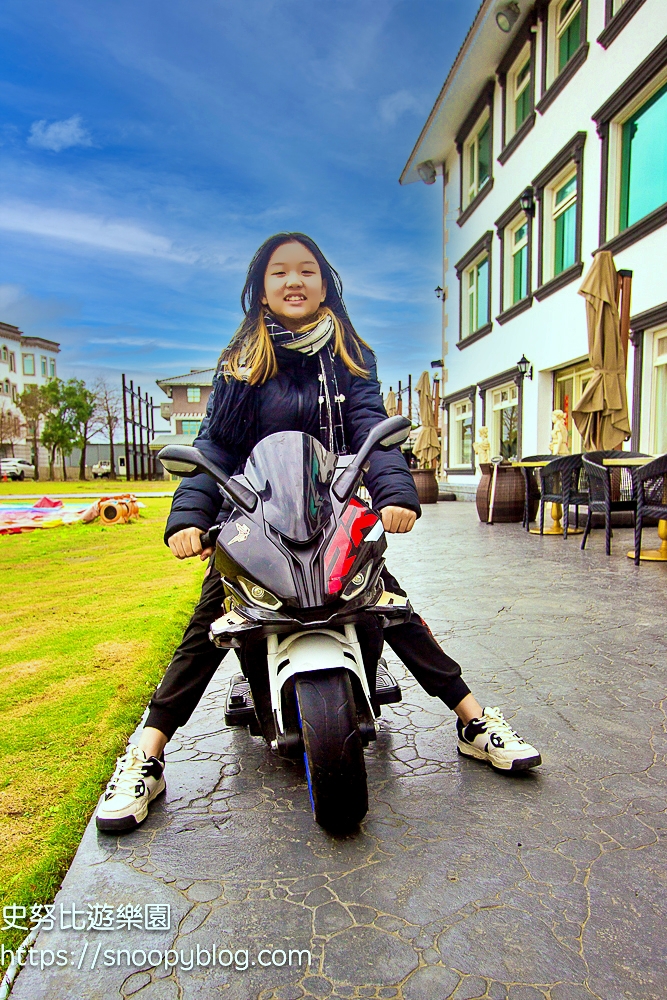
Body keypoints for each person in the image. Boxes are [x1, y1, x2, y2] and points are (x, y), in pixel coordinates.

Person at [96, 233, 541, 832]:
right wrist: (191, 517)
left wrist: (393, 494)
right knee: (208, 625)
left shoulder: (351, 353)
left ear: (326, 280)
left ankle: (473, 719)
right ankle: (146, 757)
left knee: (392, 607)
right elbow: (216, 445)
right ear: (260, 287)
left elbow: (369, 428)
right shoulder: (243, 361)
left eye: (306, 270)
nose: (294, 281)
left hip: (333, 509)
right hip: (257, 515)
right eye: (280, 272)